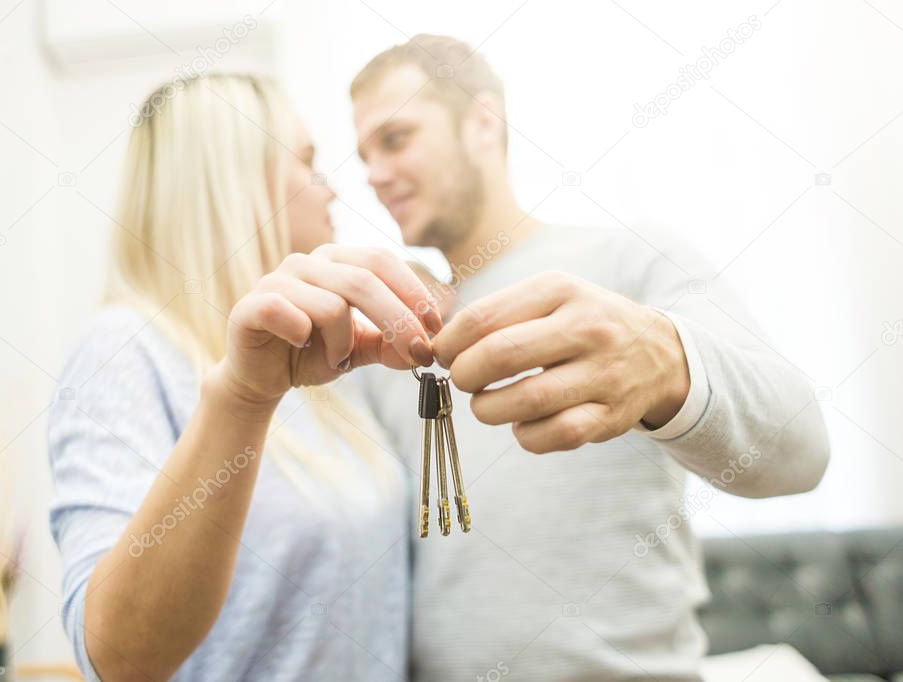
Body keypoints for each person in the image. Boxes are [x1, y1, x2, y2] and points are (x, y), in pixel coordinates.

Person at [350, 34, 830, 680]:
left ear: (482, 123)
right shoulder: (391, 336)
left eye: (395, 138)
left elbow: (801, 448)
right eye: (362, 155)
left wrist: (667, 366)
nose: (373, 174)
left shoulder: (624, 265)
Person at [47, 73, 441, 681]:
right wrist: (242, 400)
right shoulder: (124, 349)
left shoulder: (327, 354)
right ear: (230, 184)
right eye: (308, 164)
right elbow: (117, 659)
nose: (331, 189)